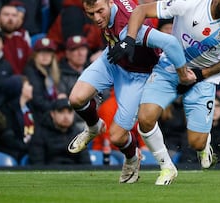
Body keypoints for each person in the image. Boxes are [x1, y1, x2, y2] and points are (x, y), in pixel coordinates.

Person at [114, 0, 220, 185]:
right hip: (170, 67)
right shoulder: (188, 3)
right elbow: (141, 10)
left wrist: (203, 74)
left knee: (196, 143)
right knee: (145, 118)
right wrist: (129, 39)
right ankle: (167, 167)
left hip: (203, 77)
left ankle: (204, 146)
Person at [66, 0, 194, 185]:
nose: (97, 18)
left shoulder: (129, 26)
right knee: (76, 99)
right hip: (112, 59)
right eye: (90, 13)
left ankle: (133, 158)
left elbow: (171, 42)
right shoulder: (110, 8)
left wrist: (182, 74)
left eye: (100, 11)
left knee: (117, 136)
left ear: (110, 3)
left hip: (137, 75)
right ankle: (94, 127)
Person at [29, 98, 91, 165]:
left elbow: (86, 163)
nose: (66, 116)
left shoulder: (78, 134)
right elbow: (37, 164)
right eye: (61, 112)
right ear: (52, 114)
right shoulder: (40, 134)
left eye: (69, 112)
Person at [0, 75, 34, 162]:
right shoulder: (5, 112)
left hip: (30, 152)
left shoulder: (31, 108)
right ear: (19, 89)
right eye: (28, 85)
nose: (31, 87)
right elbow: (8, 139)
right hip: (11, 154)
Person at [23, 37, 62, 122]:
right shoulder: (31, 71)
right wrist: (59, 102)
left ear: (52, 56)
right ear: (35, 55)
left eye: (48, 52)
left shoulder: (53, 71)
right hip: (37, 116)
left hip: (49, 112)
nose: (45, 56)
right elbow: (38, 101)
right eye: (41, 52)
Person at [0, 3, 31, 74]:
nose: (10, 19)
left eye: (14, 15)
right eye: (6, 15)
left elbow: (30, 65)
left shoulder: (22, 41)